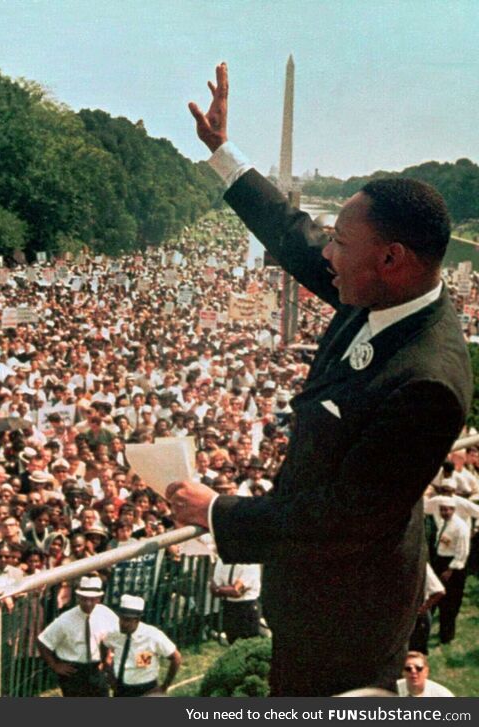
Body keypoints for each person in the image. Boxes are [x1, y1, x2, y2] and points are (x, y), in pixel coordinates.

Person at [166, 63, 473, 696]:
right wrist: (224, 154)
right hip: (317, 594)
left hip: (349, 617)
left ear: (391, 259)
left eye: (340, 240)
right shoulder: (382, 290)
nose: (324, 254)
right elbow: (291, 234)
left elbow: (344, 518)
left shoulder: (427, 383)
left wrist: (221, 514)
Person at [37, 575, 118, 697]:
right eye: (84, 599)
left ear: (99, 598)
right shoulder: (65, 619)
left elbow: (118, 636)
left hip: (96, 668)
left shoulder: (106, 614)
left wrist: (109, 657)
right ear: (78, 597)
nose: (88, 603)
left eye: (93, 599)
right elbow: (42, 641)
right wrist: (54, 665)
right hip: (73, 671)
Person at [103, 594, 181, 697]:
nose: (122, 623)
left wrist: (164, 686)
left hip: (146, 690)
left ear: (137, 620)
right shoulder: (114, 633)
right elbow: (104, 645)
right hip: (121, 689)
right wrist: (109, 671)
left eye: (127, 620)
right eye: (121, 618)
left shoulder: (152, 635)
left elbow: (176, 658)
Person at [432, 499, 470, 644]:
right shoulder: (443, 523)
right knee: (437, 596)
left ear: (453, 510)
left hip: (454, 566)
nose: (445, 512)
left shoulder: (461, 527)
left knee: (450, 601)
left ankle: (446, 635)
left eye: (448, 509)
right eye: (442, 509)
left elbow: (462, 552)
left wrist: (450, 570)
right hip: (441, 561)